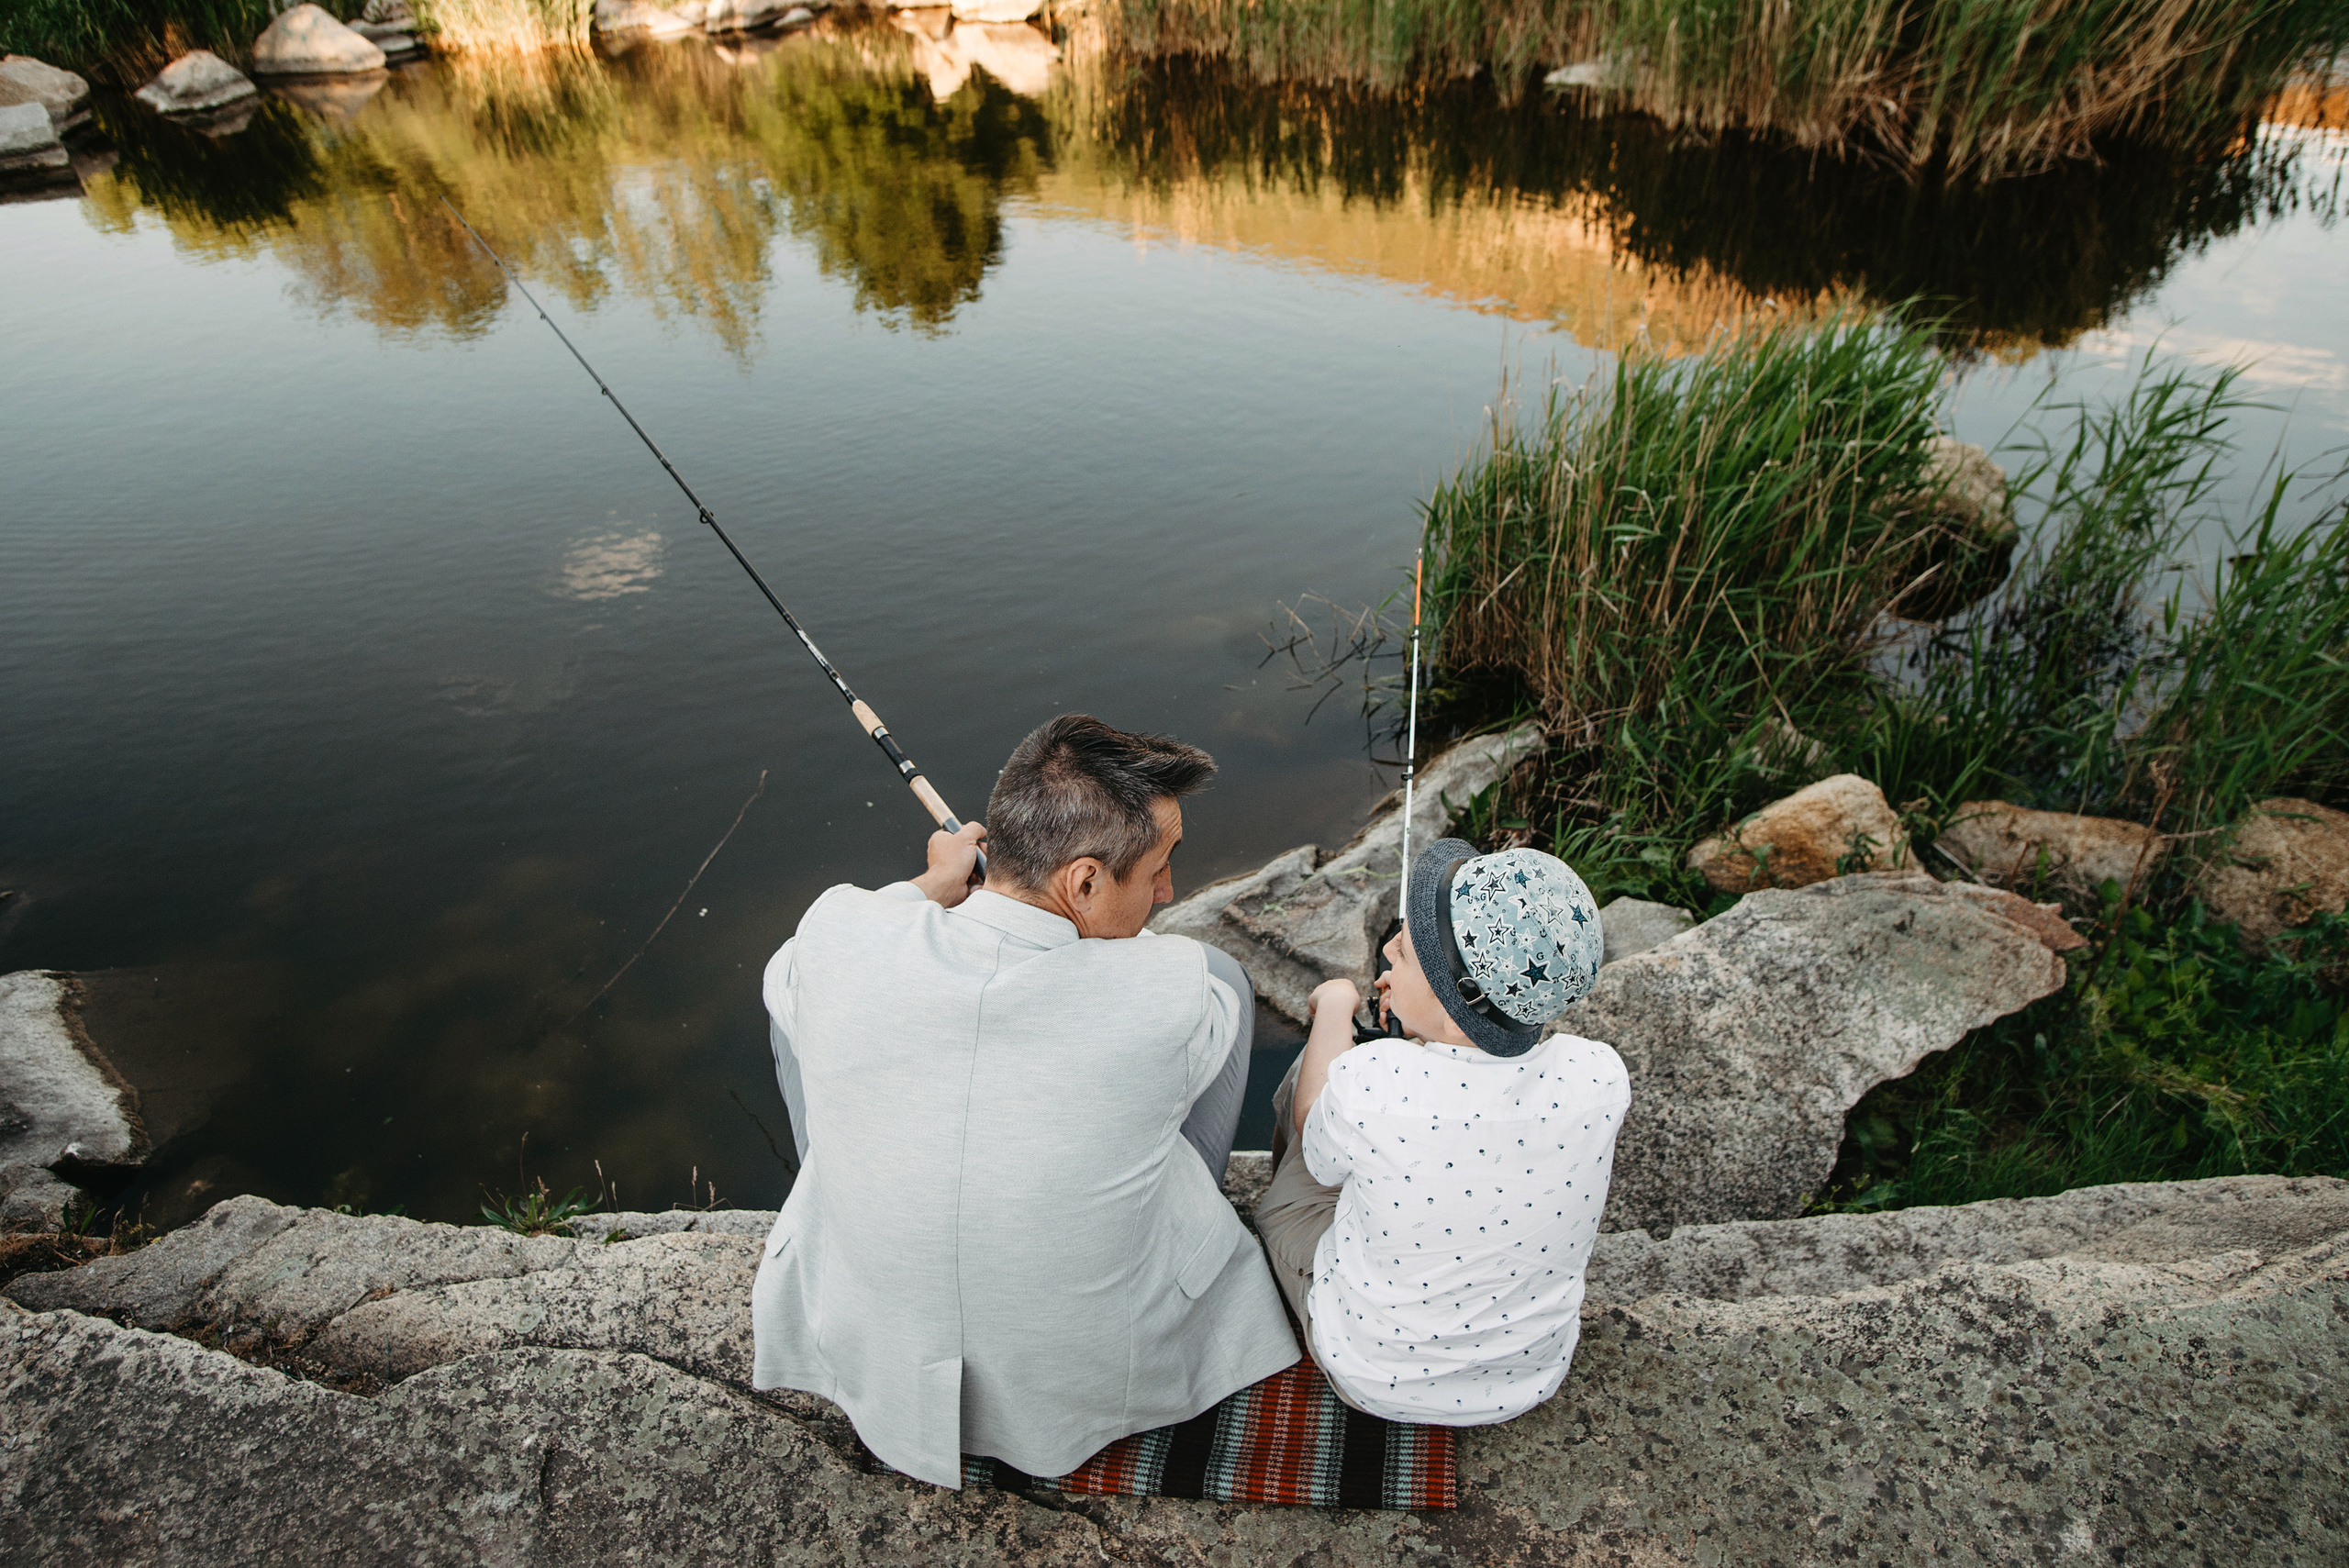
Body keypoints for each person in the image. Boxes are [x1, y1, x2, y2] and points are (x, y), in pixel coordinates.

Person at [751, 714, 1299, 1489]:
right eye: (1159, 867)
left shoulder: (836, 934)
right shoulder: (1174, 985)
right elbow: (1142, 984)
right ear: (1083, 880)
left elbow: (810, 966)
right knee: (1230, 984)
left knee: (795, 1003)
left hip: (877, 1356)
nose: (1170, 890)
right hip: (1087, 1378)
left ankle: (863, 1212)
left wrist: (936, 886)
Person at [1254, 836, 1628, 1425]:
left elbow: (1314, 1132)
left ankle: (1282, 1234)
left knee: (1311, 1089)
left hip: (1371, 1375)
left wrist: (1334, 1006)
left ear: (1442, 991)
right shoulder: (1600, 1076)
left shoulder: (1370, 1081)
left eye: (1399, 957)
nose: (1385, 958)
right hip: (1529, 1376)